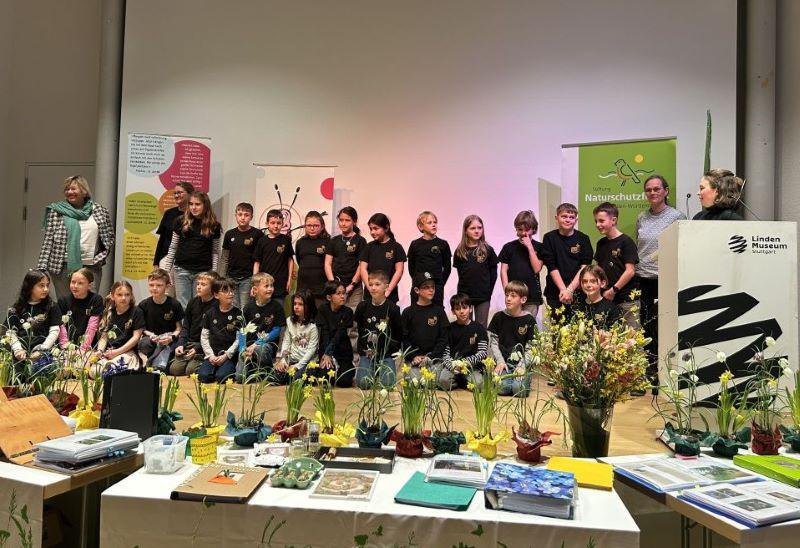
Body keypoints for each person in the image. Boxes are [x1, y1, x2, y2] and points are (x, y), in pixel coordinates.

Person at [635, 175, 685, 389]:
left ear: (666, 191)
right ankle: (650, 370)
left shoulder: (677, 216)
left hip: (666, 279)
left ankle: (669, 370)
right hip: (643, 279)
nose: (652, 193)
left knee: (666, 326)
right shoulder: (641, 217)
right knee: (646, 327)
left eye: (657, 189)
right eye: (648, 190)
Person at [37, 175, 115, 299]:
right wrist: (41, 268)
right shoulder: (56, 211)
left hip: (91, 267)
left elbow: (109, 237)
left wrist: (100, 257)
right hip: (62, 267)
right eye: (67, 189)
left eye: (73, 189)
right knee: (65, 306)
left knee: (90, 305)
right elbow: (48, 241)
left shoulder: (99, 210)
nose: (69, 192)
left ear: (84, 191)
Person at [162, 192, 222, 308]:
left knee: (199, 305)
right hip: (181, 270)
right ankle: (185, 327)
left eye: (197, 204)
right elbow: (173, 247)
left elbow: (215, 252)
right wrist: (166, 271)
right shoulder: (180, 221)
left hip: (203, 272)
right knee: (183, 305)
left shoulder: (213, 225)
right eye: (191, 204)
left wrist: (213, 273)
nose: (193, 207)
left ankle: (196, 327)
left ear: (205, 205)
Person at [540, 203, 593, 324]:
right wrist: (564, 290)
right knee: (557, 332)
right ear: (556, 218)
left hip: (578, 292)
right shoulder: (549, 238)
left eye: (571, 217)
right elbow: (551, 265)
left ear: (576, 219)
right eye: (564, 216)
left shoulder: (584, 238)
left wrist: (570, 290)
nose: (568, 219)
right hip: (556, 293)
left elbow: (584, 267)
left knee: (578, 331)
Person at [592, 202, 640, 330]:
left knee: (631, 340)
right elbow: (598, 270)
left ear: (613, 220)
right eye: (596, 221)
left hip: (626, 300)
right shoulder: (601, 243)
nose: (598, 225)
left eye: (601, 221)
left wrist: (613, 290)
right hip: (606, 298)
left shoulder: (626, 242)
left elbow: (630, 271)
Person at [4, 270, 61, 376]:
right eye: (41, 285)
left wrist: (42, 350)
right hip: (21, 354)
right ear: (30, 287)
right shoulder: (16, 308)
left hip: (43, 353)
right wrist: (18, 350)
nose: (45, 289)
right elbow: (10, 332)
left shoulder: (52, 306)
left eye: (47, 285)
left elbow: (55, 331)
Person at [354, 270, 402, 389]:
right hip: (368, 353)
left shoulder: (393, 309)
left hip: (386, 354)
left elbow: (398, 333)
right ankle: (371, 369)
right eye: (370, 285)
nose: (373, 288)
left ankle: (380, 371)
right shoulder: (362, 307)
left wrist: (389, 351)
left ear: (386, 286)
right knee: (363, 384)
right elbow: (360, 329)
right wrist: (364, 351)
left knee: (387, 385)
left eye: (377, 284)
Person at [488, 281, 537, 398]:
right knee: (502, 389)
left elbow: (532, 348)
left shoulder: (529, 320)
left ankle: (523, 379)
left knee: (518, 390)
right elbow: (493, 343)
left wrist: (522, 366)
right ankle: (507, 378)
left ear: (523, 300)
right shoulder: (498, 317)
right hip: (504, 363)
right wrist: (499, 361)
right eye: (507, 295)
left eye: (513, 296)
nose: (508, 299)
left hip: (522, 364)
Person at [237, 272, 285, 382]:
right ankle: (253, 368)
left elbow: (277, 330)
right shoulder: (248, 307)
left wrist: (257, 344)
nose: (270, 289)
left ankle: (266, 369)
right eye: (266, 286)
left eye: (271, 286)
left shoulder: (276, 306)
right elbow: (242, 331)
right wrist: (242, 349)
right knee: (240, 378)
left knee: (260, 350)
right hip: (248, 347)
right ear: (255, 289)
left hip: (266, 346)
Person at [400, 272, 449, 379]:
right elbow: (403, 339)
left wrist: (431, 356)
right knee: (414, 382)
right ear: (417, 290)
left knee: (431, 381)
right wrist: (413, 356)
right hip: (414, 360)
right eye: (426, 287)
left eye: (432, 287)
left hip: (433, 360)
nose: (431, 290)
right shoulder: (408, 312)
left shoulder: (439, 311)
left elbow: (443, 338)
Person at [170, 271, 218, 376]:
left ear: (213, 288)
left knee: (190, 371)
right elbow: (186, 326)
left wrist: (197, 348)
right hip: (190, 343)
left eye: (203, 284)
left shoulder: (217, 306)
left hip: (204, 346)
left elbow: (214, 335)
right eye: (198, 284)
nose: (199, 287)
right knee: (174, 370)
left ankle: (204, 363)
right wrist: (181, 344)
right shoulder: (193, 302)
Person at [453, 214, 498, 328]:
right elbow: (461, 274)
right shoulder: (460, 251)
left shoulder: (488, 250)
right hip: (465, 295)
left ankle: (481, 346)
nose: (477, 231)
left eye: (479, 228)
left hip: (483, 296)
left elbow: (493, 274)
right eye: (473, 228)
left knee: (481, 326)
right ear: (466, 231)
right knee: (465, 326)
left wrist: (488, 292)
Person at [93, 281, 145, 375]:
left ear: (131, 296)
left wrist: (117, 352)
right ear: (112, 296)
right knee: (94, 372)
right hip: (109, 353)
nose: (123, 298)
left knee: (111, 371)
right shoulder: (108, 312)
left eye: (127, 295)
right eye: (119, 295)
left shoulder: (137, 312)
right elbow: (104, 337)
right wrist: (100, 351)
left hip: (127, 352)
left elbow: (136, 338)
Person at [137, 268, 184, 371]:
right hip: (152, 339)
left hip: (169, 339)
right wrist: (151, 335)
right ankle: (153, 360)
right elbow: (142, 328)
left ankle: (160, 362)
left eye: (159, 285)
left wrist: (171, 338)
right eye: (151, 285)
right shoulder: (143, 305)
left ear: (167, 286)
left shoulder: (175, 304)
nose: (154, 288)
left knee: (171, 363)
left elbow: (179, 328)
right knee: (144, 344)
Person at [499, 210, 544, 318]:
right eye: (520, 229)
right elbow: (503, 271)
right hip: (514, 294)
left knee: (527, 327)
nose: (524, 233)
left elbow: (537, 268)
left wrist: (529, 247)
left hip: (532, 295)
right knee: (513, 325)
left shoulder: (540, 247)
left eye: (527, 229)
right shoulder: (508, 247)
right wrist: (507, 291)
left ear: (533, 229)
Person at [440, 293, 488, 391]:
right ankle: (459, 381)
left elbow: (482, 353)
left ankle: (464, 380)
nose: (462, 311)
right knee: (443, 382)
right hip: (454, 366)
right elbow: (445, 354)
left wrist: (466, 363)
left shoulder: (479, 328)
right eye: (457, 309)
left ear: (470, 309)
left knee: (478, 385)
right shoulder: (449, 329)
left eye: (465, 308)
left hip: (472, 367)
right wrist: (453, 366)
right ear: (453, 311)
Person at [220, 202, 264, 309]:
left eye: (246, 215)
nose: (243, 218)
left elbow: (259, 259)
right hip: (231, 278)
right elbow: (225, 258)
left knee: (245, 308)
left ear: (251, 217)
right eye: (240, 214)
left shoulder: (257, 234)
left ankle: (245, 326)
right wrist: (222, 278)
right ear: (235, 215)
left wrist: (255, 280)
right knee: (233, 308)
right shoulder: (229, 234)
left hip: (248, 278)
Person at [198, 277, 241, 383]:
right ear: (216, 295)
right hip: (212, 354)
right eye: (225, 290)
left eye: (232, 290)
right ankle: (211, 368)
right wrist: (210, 355)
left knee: (222, 378)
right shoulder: (210, 313)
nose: (230, 293)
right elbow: (204, 337)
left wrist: (226, 355)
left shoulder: (238, 314)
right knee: (203, 377)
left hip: (228, 355)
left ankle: (225, 369)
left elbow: (239, 339)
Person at [325, 206, 367, 311]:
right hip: (336, 288)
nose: (343, 223)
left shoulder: (360, 241)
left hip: (354, 288)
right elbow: (327, 264)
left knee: (353, 320)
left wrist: (352, 285)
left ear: (354, 222)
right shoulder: (333, 241)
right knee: (335, 317)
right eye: (341, 220)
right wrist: (333, 284)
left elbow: (361, 265)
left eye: (347, 220)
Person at [407, 211, 452, 307]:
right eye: (429, 223)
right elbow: (411, 268)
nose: (434, 225)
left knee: (436, 312)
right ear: (420, 227)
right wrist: (418, 281)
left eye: (435, 222)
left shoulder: (443, 244)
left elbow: (447, 268)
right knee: (417, 312)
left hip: (436, 286)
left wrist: (439, 283)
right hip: (419, 285)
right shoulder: (415, 244)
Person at [315, 280, 355, 388]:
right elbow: (325, 332)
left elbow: (340, 334)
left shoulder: (348, 312)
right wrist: (327, 354)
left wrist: (329, 352)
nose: (343, 296)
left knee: (344, 382)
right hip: (326, 349)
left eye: (344, 293)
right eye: (338, 293)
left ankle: (348, 368)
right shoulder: (323, 309)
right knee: (326, 381)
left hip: (342, 351)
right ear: (329, 297)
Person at [358, 213, 406, 303]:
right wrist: (370, 288)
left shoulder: (396, 247)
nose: (372, 232)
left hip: (389, 296)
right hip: (370, 295)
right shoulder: (369, 247)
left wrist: (387, 291)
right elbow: (363, 269)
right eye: (371, 229)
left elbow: (399, 271)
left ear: (386, 228)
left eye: (376, 228)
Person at [274, 291, 319, 384]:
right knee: (275, 378)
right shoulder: (289, 321)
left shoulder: (313, 326)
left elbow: (311, 350)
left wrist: (297, 366)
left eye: (300, 304)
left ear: (308, 306)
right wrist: (283, 360)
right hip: (292, 360)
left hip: (307, 362)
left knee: (297, 380)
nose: (296, 307)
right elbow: (286, 341)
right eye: (294, 304)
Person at [253, 209, 295, 304]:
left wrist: (289, 280)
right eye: (272, 223)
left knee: (278, 312)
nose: (276, 226)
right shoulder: (262, 241)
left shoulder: (286, 240)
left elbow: (290, 260)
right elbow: (257, 262)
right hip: (263, 283)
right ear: (267, 223)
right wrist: (254, 282)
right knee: (263, 311)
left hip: (280, 284)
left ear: (283, 224)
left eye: (278, 223)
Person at [58, 267, 104, 352]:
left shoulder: (96, 299)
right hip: (67, 347)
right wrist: (66, 347)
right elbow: (61, 326)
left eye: (80, 283)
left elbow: (92, 327)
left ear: (89, 286)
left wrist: (82, 349)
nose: (75, 286)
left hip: (87, 347)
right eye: (73, 282)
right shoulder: (63, 300)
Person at [153, 182, 194, 268]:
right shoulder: (169, 213)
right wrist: (156, 263)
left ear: (190, 194)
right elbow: (162, 239)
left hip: (187, 262)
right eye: (175, 193)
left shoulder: (195, 215)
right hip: (166, 259)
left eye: (179, 192)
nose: (176, 195)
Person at [295, 211, 331, 309]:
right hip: (303, 288)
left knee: (320, 318)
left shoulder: (328, 241)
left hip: (321, 289)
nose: (312, 228)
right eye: (309, 225)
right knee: (304, 318)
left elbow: (330, 264)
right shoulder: (300, 242)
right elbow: (299, 260)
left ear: (322, 226)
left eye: (316, 225)